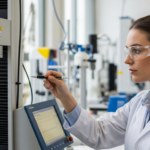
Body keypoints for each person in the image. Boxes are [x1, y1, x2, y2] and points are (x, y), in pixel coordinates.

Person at [43, 15, 150, 150]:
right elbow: (99, 134)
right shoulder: (139, 103)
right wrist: (64, 95)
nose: (127, 60)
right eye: (127, 51)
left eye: (137, 50)